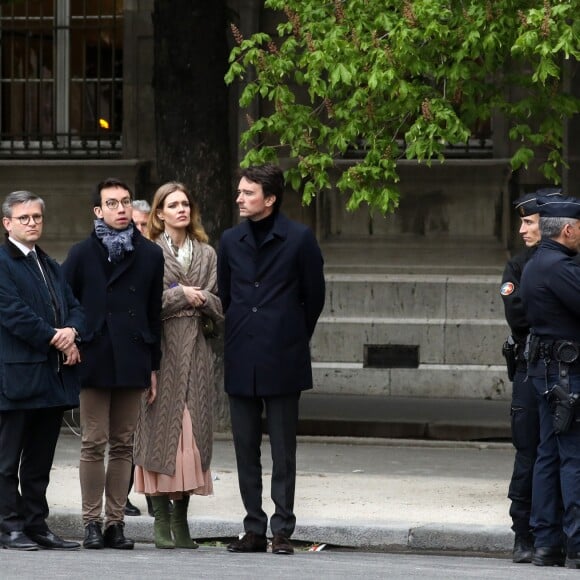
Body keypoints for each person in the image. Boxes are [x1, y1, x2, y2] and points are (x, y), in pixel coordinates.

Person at [217, 164, 325, 555]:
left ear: (270, 198)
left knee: (283, 450)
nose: (240, 198)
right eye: (240, 192)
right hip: (242, 353)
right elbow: (226, 295)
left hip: (283, 355)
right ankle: (253, 528)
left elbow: (314, 297)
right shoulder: (230, 240)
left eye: (248, 193)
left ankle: (282, 528)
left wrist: (291, 333)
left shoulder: (299, 239)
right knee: (245, 448)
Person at [62, 177, 164, 550]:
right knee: (93, 441)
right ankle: (91, 522)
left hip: (134, 356)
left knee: (124, 444)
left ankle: (115, 523)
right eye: (112, 203)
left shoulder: (151, 255)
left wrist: (153, 365)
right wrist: (73, 337)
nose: (120, 209)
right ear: (98, 211)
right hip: (94, 355)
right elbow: (66, 302)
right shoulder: (80, 254)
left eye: (124, 202)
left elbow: (154, 315)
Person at [134, 181, 223, 549]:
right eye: (173, 205)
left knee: (194, 432)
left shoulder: (207, 254)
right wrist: (179, 294)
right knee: (159, 431)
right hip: (162, 350)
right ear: (159, 213)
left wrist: (202, 301)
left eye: (186, 203)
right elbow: (142, 303)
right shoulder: (148, 252)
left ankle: (182, 521)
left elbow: (219, 304)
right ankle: (161, 520)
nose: (181, 210)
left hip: (198, 350)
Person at [0, 190, 84, 551]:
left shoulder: (48, 263)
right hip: (16, 378)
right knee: (6, 461)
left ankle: (36, 524)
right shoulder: (3, 262)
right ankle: (8, 526)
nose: (32, 223)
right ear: (7, 223)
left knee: (39, 461)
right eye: (24, 218)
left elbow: (75, 306)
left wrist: (73, 331)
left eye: (36, 217)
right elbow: (14, 314)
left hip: (51, 378)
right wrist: (56, 337)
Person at [501, 189, 561, 563]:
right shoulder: (518, 266)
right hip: (528, 366)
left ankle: (554, 532)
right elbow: (518, 316)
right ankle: (523, 532)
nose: (523, 229)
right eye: (522, 222)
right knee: (529, 451)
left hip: (560, 368)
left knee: (557, 454)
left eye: (529, 222)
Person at [520, 195, 580, 569]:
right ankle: (576, 545)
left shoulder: (537, 264)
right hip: (566, 374)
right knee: (573, 457)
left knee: (547, 455)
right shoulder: (560, 268)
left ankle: (546, 543)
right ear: (569, 230)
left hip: (546, 371)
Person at [124, 198, 152, 518]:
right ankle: (123, 493)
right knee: (127, 432)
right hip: (128, 358)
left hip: (155, 354)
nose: (140, 231)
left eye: (145, 225)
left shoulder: (156, 258)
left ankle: (156, 495)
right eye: (135, 224)